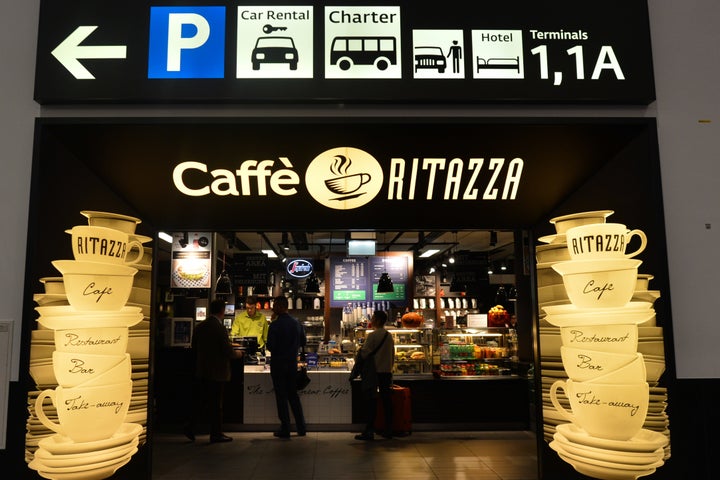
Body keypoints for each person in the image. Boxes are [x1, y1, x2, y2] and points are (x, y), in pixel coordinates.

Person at [184, 298, 239, 443]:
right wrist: (239, 354)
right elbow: (227, 351)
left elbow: (194, 347)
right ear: (222, 311)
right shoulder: (219, 328)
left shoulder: (200, 326)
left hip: (202, 369)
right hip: (217, 371)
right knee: (216, 404)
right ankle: (216, 433)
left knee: (201, 400)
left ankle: (190, 426)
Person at [266, 295, 307, 438]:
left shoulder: (275, 325)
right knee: (293, 395)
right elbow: (303, 342)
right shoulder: (296, 323)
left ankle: (286, 428)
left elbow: (270, 346)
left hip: (278, 365)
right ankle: (301, 428)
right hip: (291, 364)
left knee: (281, 397)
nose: (273, 307)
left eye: (275, 305)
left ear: (281, 306)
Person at [354, 310, 395, 441]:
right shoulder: (389, 336)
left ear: (377, 320)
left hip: (374, 373)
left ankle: (369, 431)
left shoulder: (372, 335)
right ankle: (388, 430)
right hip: (386, 372)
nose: (371, 320)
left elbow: (365, 354)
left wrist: (359, 351)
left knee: (371, 402)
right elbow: (392, 355)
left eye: (372, 318)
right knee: (386, 402)